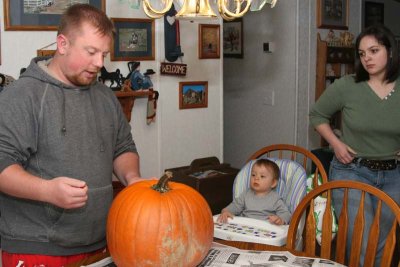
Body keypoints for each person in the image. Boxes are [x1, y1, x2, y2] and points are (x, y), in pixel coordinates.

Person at [0, 4, 147, 266]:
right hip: (38, 248)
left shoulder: (104, 96)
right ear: (63, 44)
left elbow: (123, 147)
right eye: (91, 52)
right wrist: (47, 191)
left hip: (102, 242)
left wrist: (132, 178)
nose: (99, 63)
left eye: (104, 54)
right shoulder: (21, 97)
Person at [309, 25, 400, 266]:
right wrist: (336, 144)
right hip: (352, 170)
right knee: (361, 241)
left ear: (390, 51)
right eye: (362, 53)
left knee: (383, 242)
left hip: (394, 175)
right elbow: (317, 115)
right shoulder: (347, 86)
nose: (367, 58)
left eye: (374, 50)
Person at [217, 159, 291, 225]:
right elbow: (235, 206)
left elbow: (286, 214)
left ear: (273, 183)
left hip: (265, 230)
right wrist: (226, 211)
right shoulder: (246, 194)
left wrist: (280, 220)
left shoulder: (275, 199)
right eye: (253, 175)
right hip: (245, 226)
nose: (256, 178)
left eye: (262, 176)